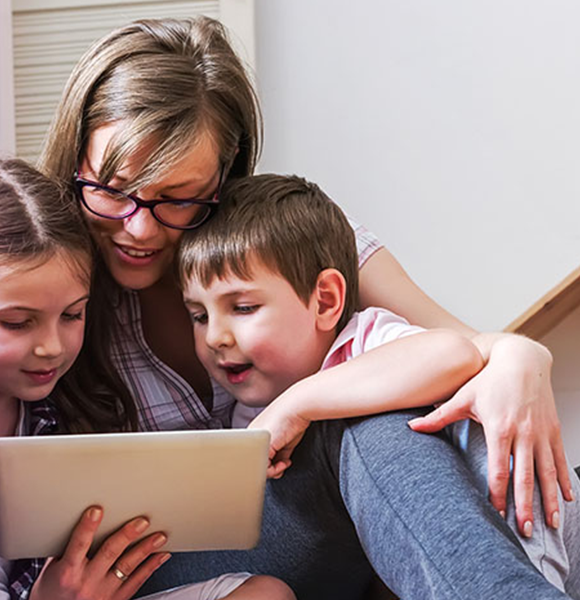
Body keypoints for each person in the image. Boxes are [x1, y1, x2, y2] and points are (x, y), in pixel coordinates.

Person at [38, 15, 575, 599]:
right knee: (360, 416)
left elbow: (464, 347)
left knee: (367, 409)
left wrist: (523, 358)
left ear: (223, 173)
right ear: (77, 162)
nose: (138, 227)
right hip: (163, 560)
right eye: (112, 189)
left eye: (175, 197)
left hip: (330, 521)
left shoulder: (286, 246)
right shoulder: (46, 286)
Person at [0, 159, 292, 600]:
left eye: (71, 315)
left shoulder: (56, 407)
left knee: (263, 594)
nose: (51, 346)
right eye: (17, 322)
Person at [177, 173, 580, 595]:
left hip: (523, 510)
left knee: (372, 420)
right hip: (445, 536)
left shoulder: (365, 340)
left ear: (326, 301)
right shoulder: (246, 402)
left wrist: (298, 404)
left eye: (242, 307)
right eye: (199, 316)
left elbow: (455, 353)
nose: (214, 337)